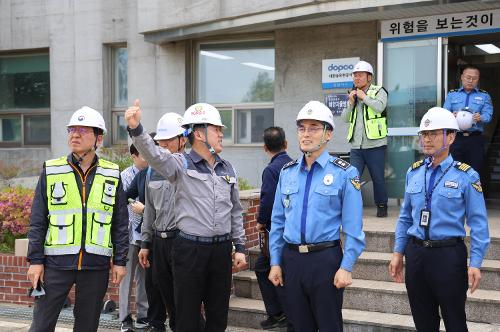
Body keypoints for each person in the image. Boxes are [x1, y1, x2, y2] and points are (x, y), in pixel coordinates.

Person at [125, 100, 247, 332]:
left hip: (221, 252)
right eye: (217, 129)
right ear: (199, 134)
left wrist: (239, 246)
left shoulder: (227, 168)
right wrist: (136, 129)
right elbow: (154, 155)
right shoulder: (180, 164)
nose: (222, 134)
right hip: (190, 251)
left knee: (218, 317)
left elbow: (235, 210)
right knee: (187, 318)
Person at [26, 106, 128, 332]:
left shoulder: (112, 173)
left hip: (95, 265)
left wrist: (120, 261)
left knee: (87, 326)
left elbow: (120, 221)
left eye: (83, 130)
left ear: (98, 138)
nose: (75, 134)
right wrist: (35, 261)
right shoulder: (52, 170)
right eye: (72, 129)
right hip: (55, 265)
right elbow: (38, 220)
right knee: (41, 325)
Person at [389, 107, 490, 332]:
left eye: (434, 133)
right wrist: (398, 252)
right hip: (416, 256)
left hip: (448, 257)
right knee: (423, 322)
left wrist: (475, 263)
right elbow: (405, 218)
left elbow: (479, 224)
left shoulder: (467, 175)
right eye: (424, 134)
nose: (427, 139)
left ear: (451, 136)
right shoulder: (413, 172)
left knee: (455, 322)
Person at [268, 101, 365, 332]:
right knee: (298, 325)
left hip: (325, 261)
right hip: (292, 260)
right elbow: (278, 222)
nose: (306, 134)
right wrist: (275, 262)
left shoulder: (345, 173)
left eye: (313, 128)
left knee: (329, 325)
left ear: (328, 133)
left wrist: (347, 266)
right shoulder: (287, 172)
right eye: (302, 128)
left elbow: (353, 228)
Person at [137, 113, 190, 332]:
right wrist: (145, 243)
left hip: (183, 242)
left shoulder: (190, 166)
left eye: (169, 140)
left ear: (183, 140)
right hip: (160, 242)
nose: (164, 144)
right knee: (168, 299)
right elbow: (149, 208)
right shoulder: (152, 170)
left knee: (185, 302)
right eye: (161, 141)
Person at [254, 127, 293, 331]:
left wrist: (261, 221)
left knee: (263, 267)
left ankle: (279, 313)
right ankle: (283, 313)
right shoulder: (294, 164)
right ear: (286, 144)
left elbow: (267, 200)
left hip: (275, 231)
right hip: (293, 230)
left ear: (265, 147)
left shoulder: (271, 170)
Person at [341, 60, 389, 217]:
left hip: (375, 144)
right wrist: (350, 103)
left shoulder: (379, 90)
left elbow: (380, 107)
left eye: (360, 75)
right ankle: (351, 207)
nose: (357, 78)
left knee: (378, 178)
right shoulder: (352, 94)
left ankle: (382, 206)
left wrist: (364, 97)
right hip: (356, 146)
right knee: (352, 178)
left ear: (369, 77)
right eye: (355, 75)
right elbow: (345, 118)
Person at [119, 144, 149, 332]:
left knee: (144, 278)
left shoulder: (152, 173)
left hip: (146, 234)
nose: (146, 159)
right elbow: (123, 202)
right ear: (133, 156)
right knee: (126, 278)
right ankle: (124, 317)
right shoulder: (124, 176)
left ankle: (143, 315)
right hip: (130, 235)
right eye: (143, 156)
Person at [443, 65, 493, 175]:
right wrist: (451, 115)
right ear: (462, 77)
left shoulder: (484, 96)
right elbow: (444, 114)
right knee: (454, 169)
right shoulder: (452, 94)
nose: (471, 81)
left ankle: (474, 192)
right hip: (456, 139)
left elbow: (488, 115)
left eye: (474, 78)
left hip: (475, 139)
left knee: (475, 171)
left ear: (478, 79)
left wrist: (481, 117)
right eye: (468, 77)